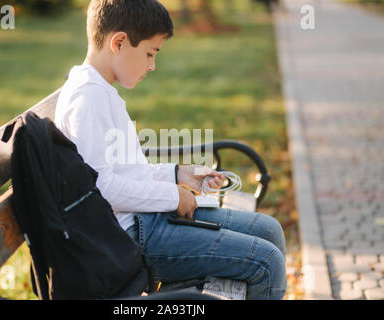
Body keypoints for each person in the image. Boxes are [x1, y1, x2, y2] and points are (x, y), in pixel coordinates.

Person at [54, 0, 286, 300]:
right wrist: (173, 196)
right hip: (134, 235)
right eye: (150, 54)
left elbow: (127, 169)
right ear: (119, 42)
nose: (151, 65)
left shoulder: (100, 91)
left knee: (269, 230)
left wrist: (178, 174)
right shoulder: (88, 98)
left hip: (147, 219)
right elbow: (102, 188)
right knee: (267, 263)